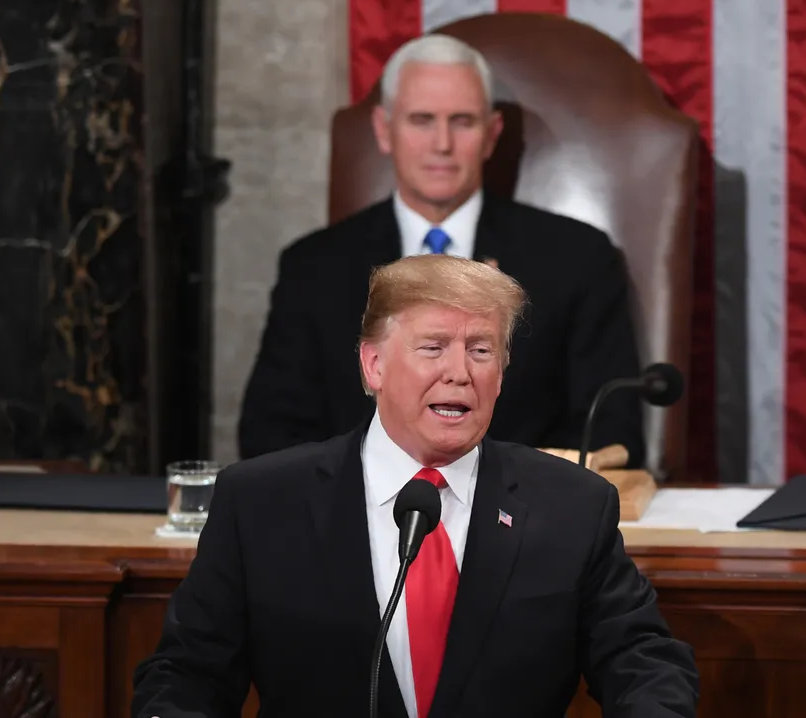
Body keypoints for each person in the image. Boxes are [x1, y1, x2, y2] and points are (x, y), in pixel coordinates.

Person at [132, 255, 699, 718]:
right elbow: (187, 675)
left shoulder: (571, 505)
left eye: (481, 350)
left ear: (500, 374)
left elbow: (640, 658)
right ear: (373, 365)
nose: (460, 372)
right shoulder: (262, 502)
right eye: (433, 347)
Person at [237, 33, 646, 468]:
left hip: (516, 519)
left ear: (491, 135)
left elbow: (608, 431)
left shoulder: (576, 258)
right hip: (355, 519)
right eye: (422, 120)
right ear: (383, 130)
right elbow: (271, 435)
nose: (442, 144)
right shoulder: (314, 267)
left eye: (463, 121)